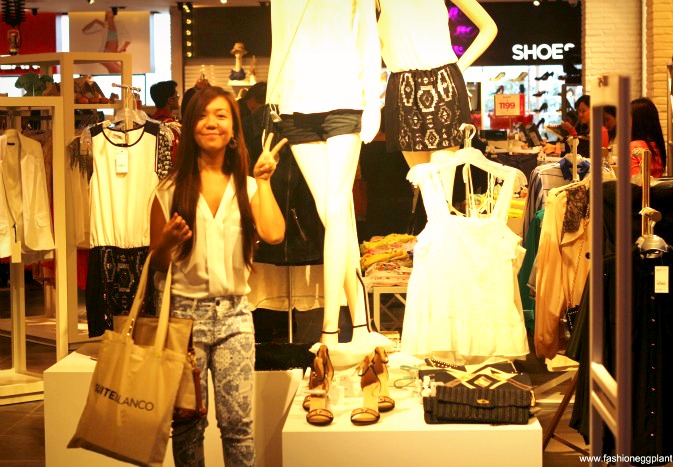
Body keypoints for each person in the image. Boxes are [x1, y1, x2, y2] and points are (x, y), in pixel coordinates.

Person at [148, 85, 287, 466]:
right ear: (190, 125)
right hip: (182, 320)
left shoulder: (248, 186)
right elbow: (156, 263)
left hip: (234, 317)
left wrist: (265, 182)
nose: (212, 122)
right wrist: (166, 243)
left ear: (233, 130)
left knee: (238, 427)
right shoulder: (168, 190)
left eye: (221, 115)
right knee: (187, 426)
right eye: (203, 115)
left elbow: (274, 233)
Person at [267, 0, 383, 349]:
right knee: (334, 214)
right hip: (293, 106)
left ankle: (329, 330)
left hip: (344, 101)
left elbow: (368, 39)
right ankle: (361, 326)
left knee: (335, 209)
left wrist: (373, 102)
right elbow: (279, 39)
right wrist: (273, 98)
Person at [376, 0, 497, 203]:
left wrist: (458, 70)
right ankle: (435, 223)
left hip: (443, 84)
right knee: (427, 187)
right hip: (404, 88)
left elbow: (489, 27)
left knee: (440, 187)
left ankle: (439, 223)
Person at [630, 97, 666, 178]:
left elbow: (635, 180)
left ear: (637, 120)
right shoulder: (657, 145)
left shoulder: (633, 147)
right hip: (656, 186)